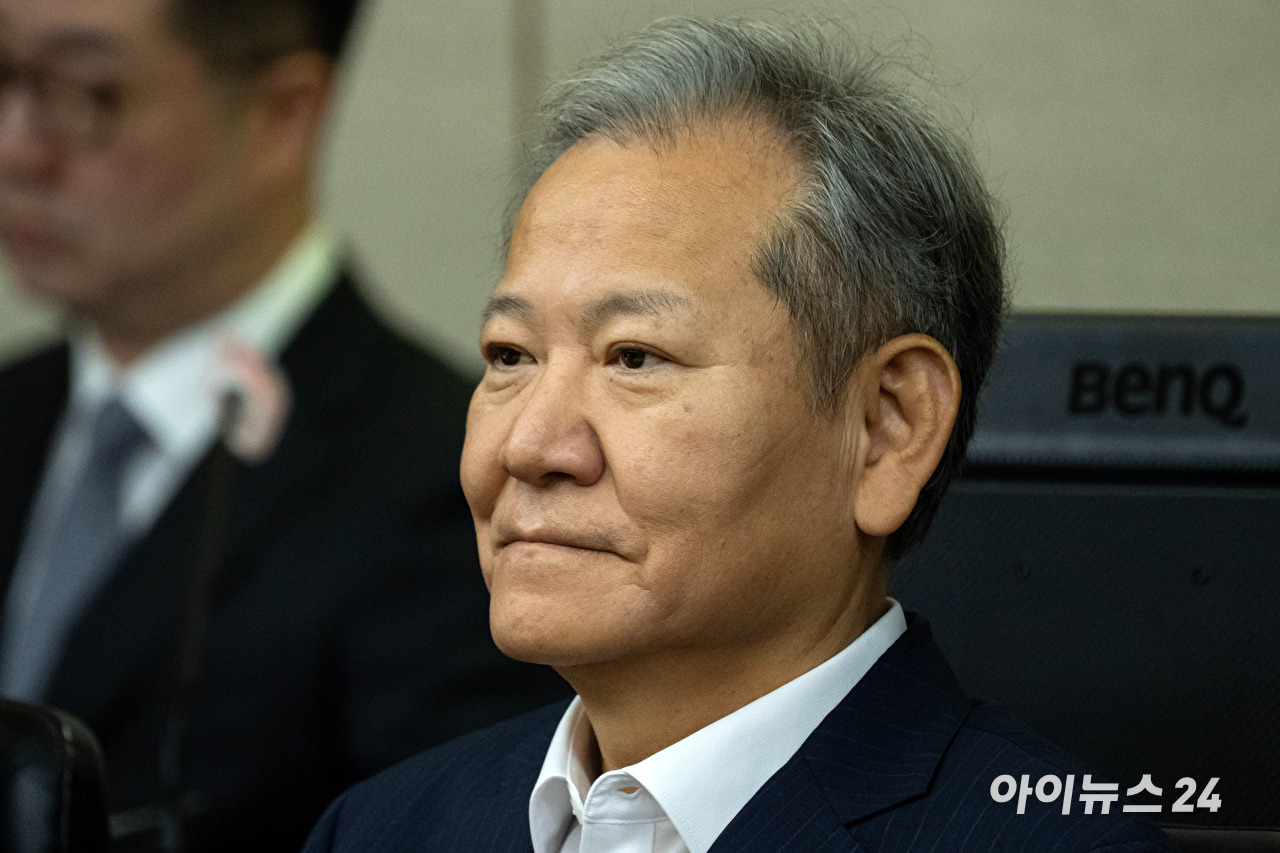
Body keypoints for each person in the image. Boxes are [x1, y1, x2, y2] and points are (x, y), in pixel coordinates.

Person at [303, 17, 1179, 853]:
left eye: (635, 357)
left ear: (887, 427)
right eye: (510, 355)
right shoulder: (381, 828)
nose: (528, 447)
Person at [0, 0, 565, 850]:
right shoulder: (17, 407)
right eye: (5, 77)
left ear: (283, 113)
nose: (17, 148)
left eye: (87, 93)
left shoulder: (450, 478)